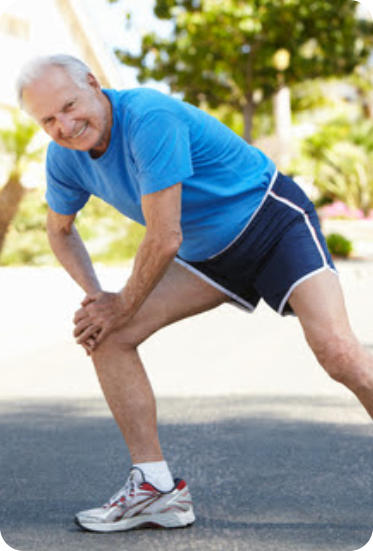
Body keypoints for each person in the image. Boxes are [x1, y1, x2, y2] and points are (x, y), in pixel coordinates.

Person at [17, 54, 373, 533]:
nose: (64, 124)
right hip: (208, 256)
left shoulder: (147, 117)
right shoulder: (64, 158)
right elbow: (60, 232)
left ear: (93, 84)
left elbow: (165, 237)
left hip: (271, 223)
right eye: (48, 120)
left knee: (337, 353)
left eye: (68, 105)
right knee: (107, 335)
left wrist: (122, 302)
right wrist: (100, 298)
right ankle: (155, 491)